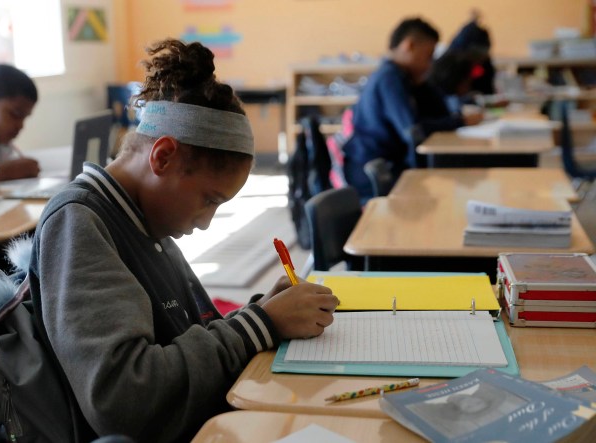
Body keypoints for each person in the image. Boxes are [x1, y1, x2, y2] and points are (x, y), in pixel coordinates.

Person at [27, 38, 338, 442]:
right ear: (163, 157)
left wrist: (265, 311)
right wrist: (260, 324)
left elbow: (189, 334)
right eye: (209, 200)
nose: (207, 223)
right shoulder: (80, 222)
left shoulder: (142, 218)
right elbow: (123, 400)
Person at [341, 17, 442, 202]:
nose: (430, 63)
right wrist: (459, 121)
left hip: (380, 164)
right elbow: (412, 130)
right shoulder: (390, 78)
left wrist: (422, 85)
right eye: (428, 55)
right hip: (374, 170)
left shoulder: (398, 76)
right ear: (409, 45)